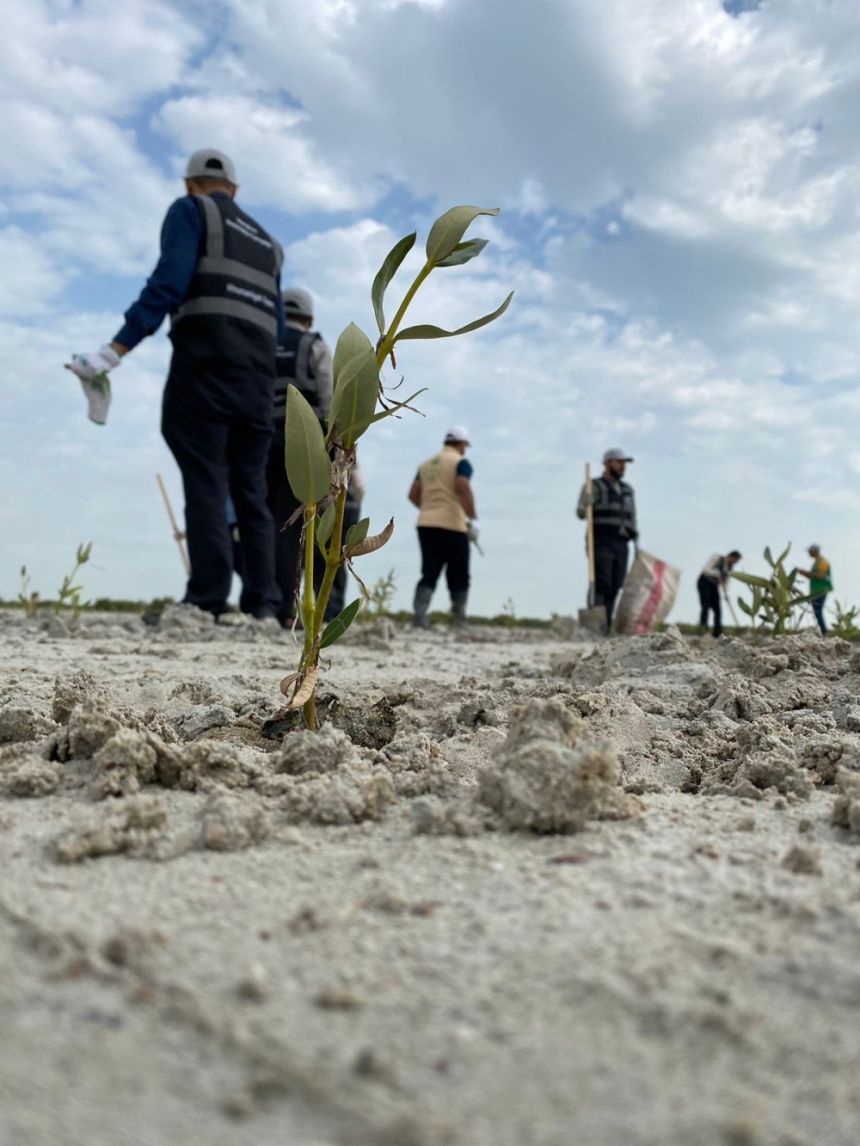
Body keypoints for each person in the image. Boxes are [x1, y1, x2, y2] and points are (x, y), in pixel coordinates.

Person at [66, 148, 284, 621]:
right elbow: (279, 327)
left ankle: (207, 599)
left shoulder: (191, 211)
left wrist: (115, 350)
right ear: (236, 190)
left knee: (206, 477)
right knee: (251, 488)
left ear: (189, 184)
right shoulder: (269, 244)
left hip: (205, 367)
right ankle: (264, 603)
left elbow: (169, 282)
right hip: (258, 382)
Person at [265, 287, 334, 627]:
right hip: (303, 445)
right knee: (303, 526)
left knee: (272, 524)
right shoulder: (315, 347)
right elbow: (330, 400)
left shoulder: (262, 343)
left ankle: (272, 603)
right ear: (309, 318)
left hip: (263, 444)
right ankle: (299, 606)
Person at [408, 427, 478, 628]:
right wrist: (473, 519)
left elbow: (413, 494)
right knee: (459, 573)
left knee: (429, 572)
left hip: (426, 524)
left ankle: (419, 618)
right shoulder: (461, 463)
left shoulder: (426, 465)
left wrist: (431, 508)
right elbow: (463, 487)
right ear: (461, 444)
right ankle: (459, 619)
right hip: (453, 526)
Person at [576, 448, 638, 633]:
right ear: (607, 463)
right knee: (602, 582)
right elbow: (580, 513)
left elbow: (632, 516)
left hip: (622, 543)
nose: (622, 467)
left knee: (616, 584)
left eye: (624, 463)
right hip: (601, 540)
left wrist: (634, 535)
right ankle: (594, 627)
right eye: (619, 462)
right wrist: (587, 502)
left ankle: (607, 627)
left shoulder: (628, 490)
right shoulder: (594, 485)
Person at [697, 550, 742, 637]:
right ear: (732, 557)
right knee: (705, 605)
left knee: (718, 609)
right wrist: (717, 574)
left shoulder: (729, 568)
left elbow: (726, 582)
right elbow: (706, 570)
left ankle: (717, 633)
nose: (735, 563)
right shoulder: (717, 558)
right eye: (735, 561)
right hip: (704, 581)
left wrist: (726, 593)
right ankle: (703, 629)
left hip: (714, 585)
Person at [799, 545, 833, 635]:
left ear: (815, 551)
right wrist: (803, 573)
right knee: (817, 612)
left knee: (818, 611)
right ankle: (822, 632)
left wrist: (805, 572)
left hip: (821, 590)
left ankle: (824, 632)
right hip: (815, 591)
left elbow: (819, 575)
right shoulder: (817, 562)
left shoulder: (822, 562)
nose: (808, 553)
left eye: (810, 551)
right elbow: (813, 576)